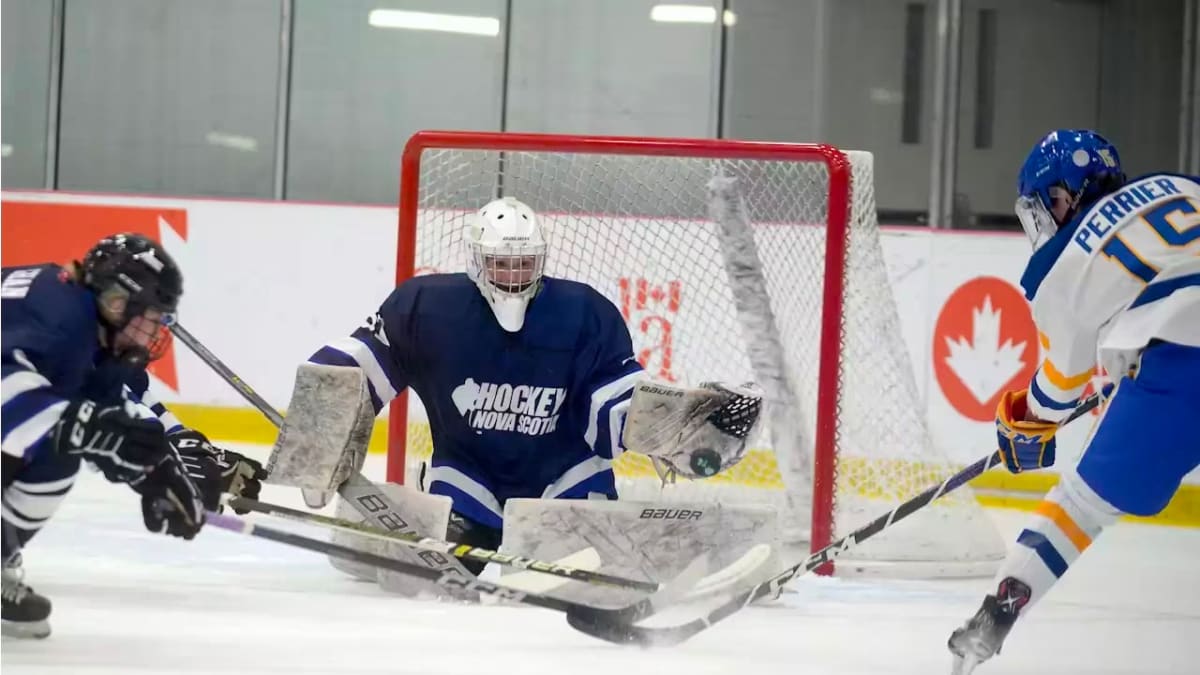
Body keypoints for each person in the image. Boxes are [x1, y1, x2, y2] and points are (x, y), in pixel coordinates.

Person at [308, 197, 760, 573]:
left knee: (577, 564)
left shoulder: (584, 313)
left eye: (524, 264)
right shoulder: (427, 307)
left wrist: (670, 427)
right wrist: (322, 421)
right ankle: (430, 513)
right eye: (501, 264)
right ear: (476, 260)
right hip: (469, 474)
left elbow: (612, 403)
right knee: (435, 571)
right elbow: (363, 362)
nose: (514, 275)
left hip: (564, 477)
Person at [947, 130, 1200, 673]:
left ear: (1064, 196)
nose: (1042, 222)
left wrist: (1026, 420)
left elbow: (1060, 390)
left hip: (1183, 364)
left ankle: (998, 611)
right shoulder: (1177, 184)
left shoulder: (1061, 265)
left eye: (1043, 207)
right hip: (1174, 349)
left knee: (1081, 506)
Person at [1, 233, 265, 639]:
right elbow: (12, 397)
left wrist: (161, 473)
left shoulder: (88, 331)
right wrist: (89, 427)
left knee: (60, 450)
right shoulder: (55, 315)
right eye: (150, 319)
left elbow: (111, 418)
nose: (151, 334)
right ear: (117, 301)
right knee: (58, 435)